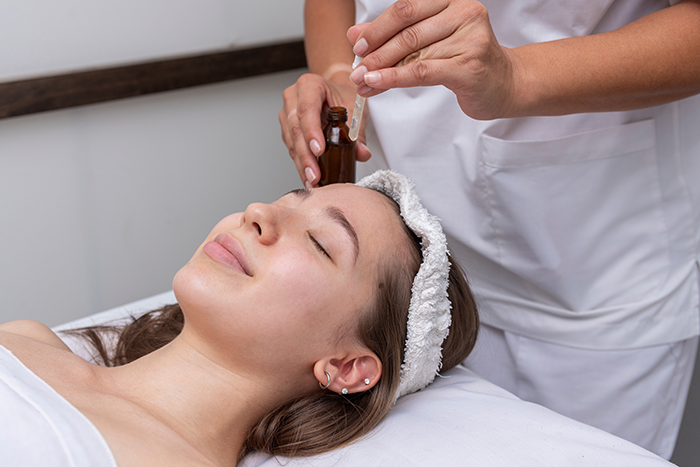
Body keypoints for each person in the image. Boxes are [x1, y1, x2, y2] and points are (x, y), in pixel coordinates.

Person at [279, 0, 700, 459]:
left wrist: (517, 74)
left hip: (588, 264)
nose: (256, 220)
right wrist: (341, 73)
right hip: (411, 271)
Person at [0, 171, 479, 466]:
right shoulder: (29, 338)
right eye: (288, 200)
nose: (257, 212)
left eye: (320, 243)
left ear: (347, 366)